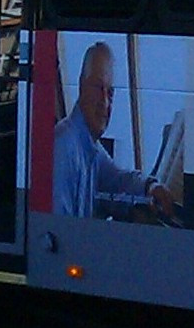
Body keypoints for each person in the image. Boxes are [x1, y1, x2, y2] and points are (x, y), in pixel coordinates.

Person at [51, 41, 176, 220]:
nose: (105, 102)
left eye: (110, 93)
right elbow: (58, 230)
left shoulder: (89, 144)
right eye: (97, 88)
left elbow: (117, 180)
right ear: (80, 85)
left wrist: (150, 186)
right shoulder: (63, 146)